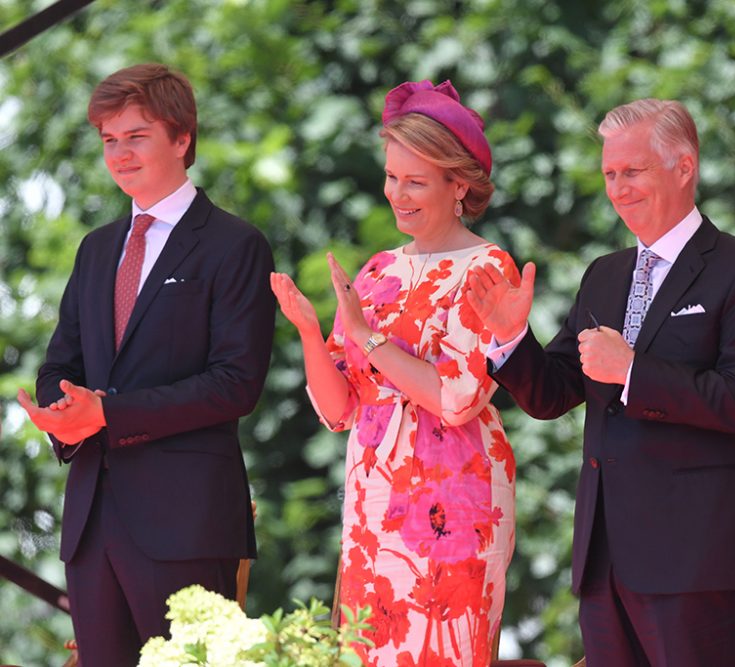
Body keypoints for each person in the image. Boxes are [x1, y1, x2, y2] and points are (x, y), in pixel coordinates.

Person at [465, 99, 735, 666]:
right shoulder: (605, 273)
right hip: (605, 554)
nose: (618, 188)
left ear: (684, 167)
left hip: (696, 554)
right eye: (610, 174)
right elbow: (553, 393)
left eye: (632, 171)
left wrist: (635, 371)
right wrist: (511, 338)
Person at [16, 63, 275, 667]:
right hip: (91, 523)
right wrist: (66, 413)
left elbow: (237, 384)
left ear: (183, 138)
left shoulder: (236, 245)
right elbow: (60, 366)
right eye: (110, 140)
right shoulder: (96, 247)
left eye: (137, 136)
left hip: (185, 522)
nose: (120, 154)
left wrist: (108, 413)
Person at [270, 80, 517, 667]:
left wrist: (366, 337)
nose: (396, 195)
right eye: (390, 176)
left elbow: (457, 398)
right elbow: (339, 410)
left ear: (460, 185)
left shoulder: (489, 267)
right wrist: (310, 330)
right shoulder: (379, 268)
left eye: (415, 181)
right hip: (371, 496)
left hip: (455, 496)